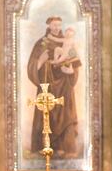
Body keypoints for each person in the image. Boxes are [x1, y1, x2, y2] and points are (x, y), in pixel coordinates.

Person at [27, 16, 81, 157]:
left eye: (59, 25)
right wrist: (41, 60)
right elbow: (32, 66)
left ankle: (65, 148)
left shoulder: (67, 43)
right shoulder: (41, 44)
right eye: (54, 25)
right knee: (46, 115)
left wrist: (70, 71)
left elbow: (75, 63)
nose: (57, 27)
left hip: (64, 86)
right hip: (46, 85)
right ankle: (43, 148)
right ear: (49, 26)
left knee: (65, 114)